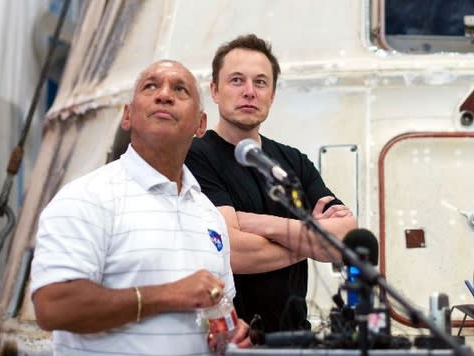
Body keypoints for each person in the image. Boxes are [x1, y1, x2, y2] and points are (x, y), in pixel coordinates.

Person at [30, 60, 250, 355]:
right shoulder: (85, 198)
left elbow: (219, 307)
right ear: (128, 116)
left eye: (180, 89)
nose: (164, 95)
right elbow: (53, 307)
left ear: (200, 125)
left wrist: (230, 330)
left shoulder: (207, 213)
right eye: (151, 86)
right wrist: (170, 295)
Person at [185, 34, 357, 333]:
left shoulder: (294, 161)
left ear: (273, 94)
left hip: (296, 337)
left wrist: (255, 223)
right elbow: (232, 253)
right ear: (214, 90)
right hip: (232, 341)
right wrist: (311, 241)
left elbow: (345, 241)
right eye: (237, 80)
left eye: (261, 82)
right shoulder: (196, 156)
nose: (249, 92)